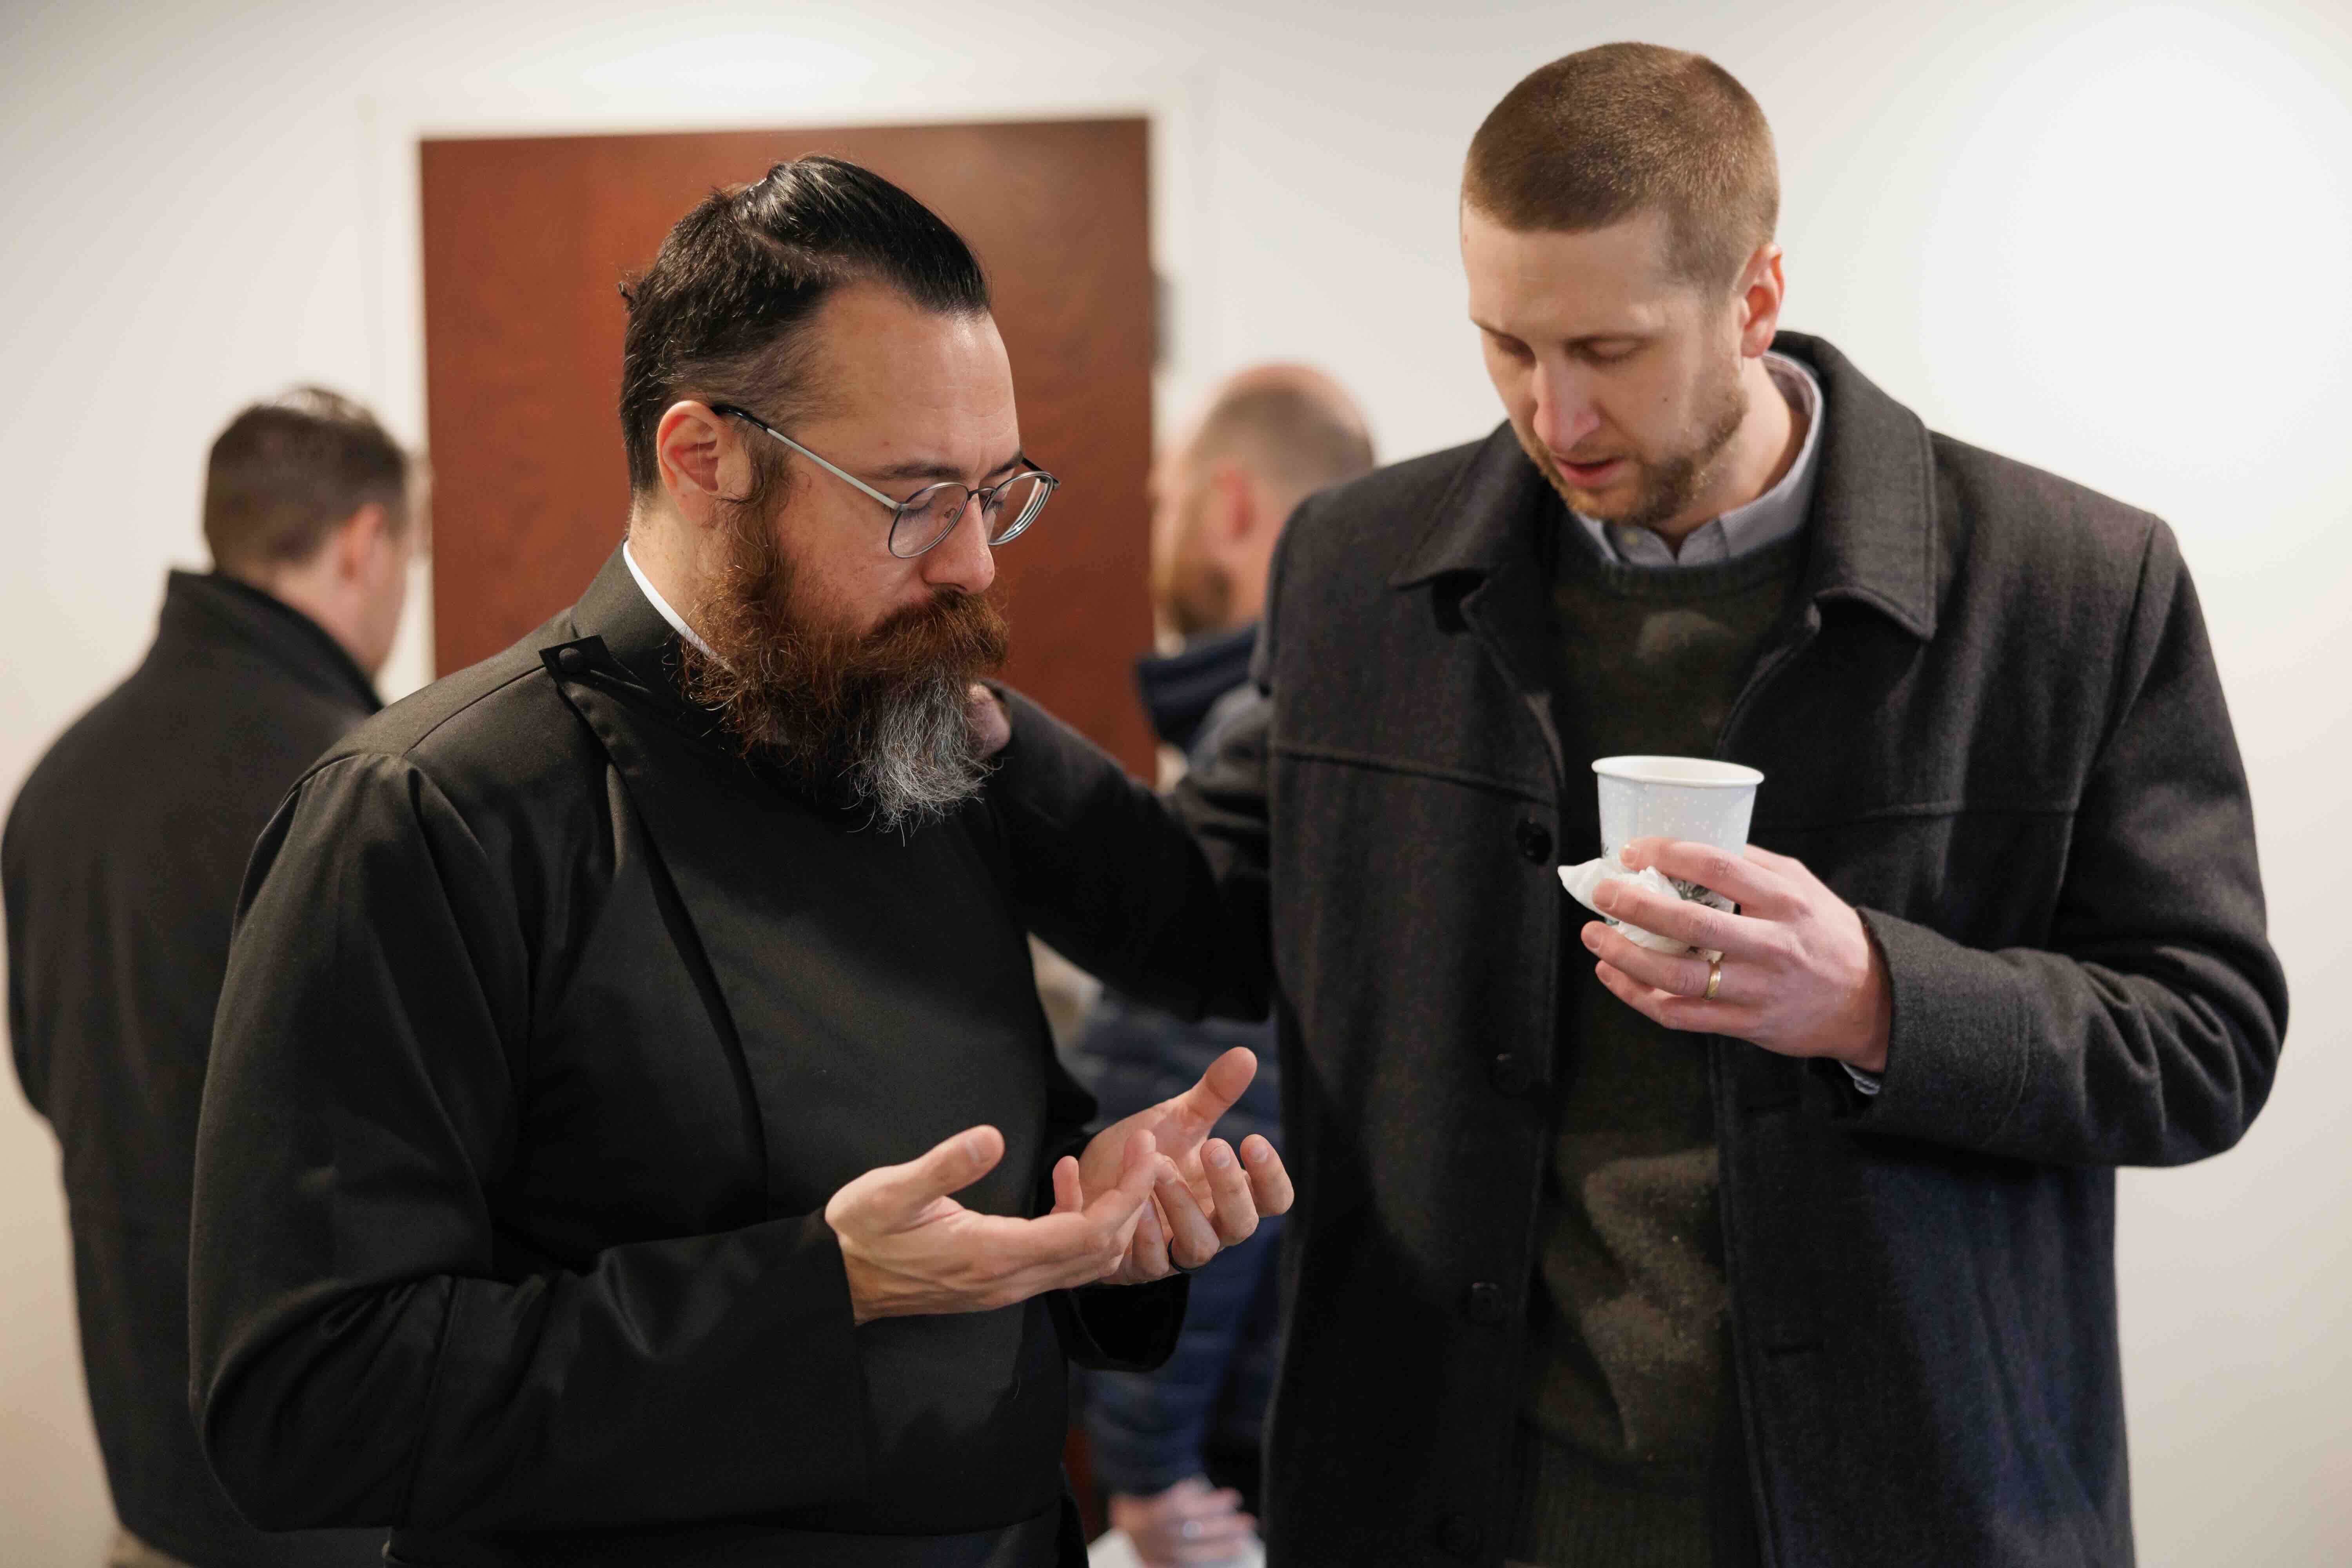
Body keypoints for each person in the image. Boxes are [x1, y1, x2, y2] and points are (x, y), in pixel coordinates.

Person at [973, 43, 2287, 1568]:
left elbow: (2206, 1038)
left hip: (1909, 1508)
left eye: (1609, 347)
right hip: (1438, 1507)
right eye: (1506, 346)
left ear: (1754, 294)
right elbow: (1216, 920)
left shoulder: (2066, 589)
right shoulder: (1359, 571)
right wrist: (985, 736)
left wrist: (1875, 997)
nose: (1554, 410)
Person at [185, 158, 1292, 1568]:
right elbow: (304, 1402)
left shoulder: (914, 740)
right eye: (913, 497)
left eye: (993, 492)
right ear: (704, 455)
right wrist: (815, 1292)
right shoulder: (428, 814)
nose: (973, 567)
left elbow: (988, 1162)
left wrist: (1094, 1210)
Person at [4, 388, 418, 1568]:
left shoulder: (63, 782)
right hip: (348, 1505)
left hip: (154, 1494)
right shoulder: (363, 787)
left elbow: (49, 1080)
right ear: (364, 543)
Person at [1073, 367, 1372, 1566]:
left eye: (1164, 500)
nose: (1157, 532)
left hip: (1233, 1439)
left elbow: (1193, 1123)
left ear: (1233, 507)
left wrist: (1146, 1467)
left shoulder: (1256, 753)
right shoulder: (1350, 720)